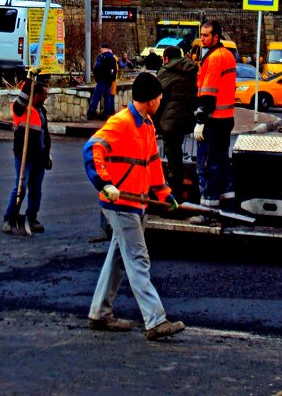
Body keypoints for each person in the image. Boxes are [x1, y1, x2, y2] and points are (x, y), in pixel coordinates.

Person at [82, 71, 186, 340]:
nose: (161, 100)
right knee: (138, 258)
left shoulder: (147, 125)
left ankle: (100, 313)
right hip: (121, 203)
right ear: (151, 100)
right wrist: (105, 183)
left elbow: (151, 164)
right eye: (160, 97)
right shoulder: (121, 123)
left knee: (118, 257)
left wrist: (164, 194)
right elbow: (91, 150)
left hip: (136, 202)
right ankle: (155, 320)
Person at [192, 19, 237, 221]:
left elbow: (209, 94)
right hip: (226, 119)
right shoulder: (228, 55)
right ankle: (227, 207)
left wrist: (201, 120)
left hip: (213, 119)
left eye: (206, 35)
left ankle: (207, 212)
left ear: (216, 37)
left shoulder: (214, 58)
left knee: (207, 165)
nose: (202, 38)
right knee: (221, 162)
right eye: (201, 34)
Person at [2, 72, 52, 234]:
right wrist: (30, 79)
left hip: (39, 155)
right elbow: (21, 99)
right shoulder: (22, 109)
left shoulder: (41, 111)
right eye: (44, 94)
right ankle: (9, 218)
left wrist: (47, 155)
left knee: (36, 188)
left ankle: (32, 217)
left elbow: (45, 135)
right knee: (20, 187)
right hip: (24, 155)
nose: (46, 97)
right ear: (36, 95)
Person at [155, 46, 198, 202]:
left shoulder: (165, 72)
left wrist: (154, 122)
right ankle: (180, 191)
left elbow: (158, 97)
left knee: (172, 158)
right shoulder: (191, 70)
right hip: (186, 119)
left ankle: (174, 196)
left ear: (166, 58)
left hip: (169, 121)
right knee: (177, 154)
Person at [88, 42, 117, 119]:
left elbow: (97, 68)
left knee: (96, 96)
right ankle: (105, 114)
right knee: (107, 97)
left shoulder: (102, 57)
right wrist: (112, 79)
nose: (100, 49)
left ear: (103, 48)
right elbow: (115, 70)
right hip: (109, 81)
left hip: (102, 80)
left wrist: (97, 79)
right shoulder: (112, 57)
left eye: (100, 48)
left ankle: (91, 113)